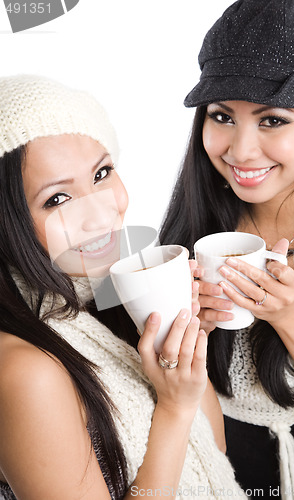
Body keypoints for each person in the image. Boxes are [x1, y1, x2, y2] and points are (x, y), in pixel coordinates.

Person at [0, 75, 247, 500]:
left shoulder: (108, 300)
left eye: (101, 173)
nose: (102, 214)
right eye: (58, 199)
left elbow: (210, 458)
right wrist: (173, 408)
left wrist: (186, 337)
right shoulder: (25, 371)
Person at [159, 0, 294, 498]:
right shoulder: (176, 245)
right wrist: (181, 337)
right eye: (222, 116)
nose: (239, 150)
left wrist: (289, 314)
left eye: (272, 120)